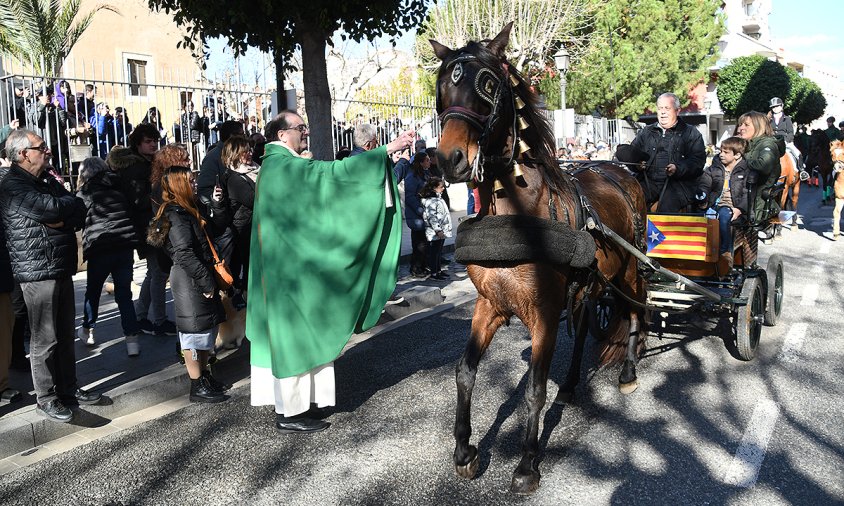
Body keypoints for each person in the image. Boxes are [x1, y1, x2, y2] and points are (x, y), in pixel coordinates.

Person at [248, 110, 414, 433]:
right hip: (292, 277)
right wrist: (387, 150)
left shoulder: (276, 166)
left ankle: (293, 408)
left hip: (287, 271)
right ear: (282, 135)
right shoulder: (283, 166)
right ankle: (291, 414)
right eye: (300, 128)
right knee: (296, 337)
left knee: (293, 337)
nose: (305, 133)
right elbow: (334, 176)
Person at [0, 130, 100, 422]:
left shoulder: (44, 179)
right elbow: (52, 208)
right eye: (40, 147)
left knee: (66, 333)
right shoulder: (12, 185)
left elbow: (78, 207)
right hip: (36, 269)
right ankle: (46, 397)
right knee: (45, 338)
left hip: (59, 265)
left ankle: (68, 389)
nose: (47, 151)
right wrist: (60, 213)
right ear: (22, 154)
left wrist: (62, 216)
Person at [146, 165, 228, 403]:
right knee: (193, 333)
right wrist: (205, 282)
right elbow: (184, 253)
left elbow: (214, 230)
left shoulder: (187, 210)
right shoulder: (176, 215)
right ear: (179, 185)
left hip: (195, 276)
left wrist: (216, 204)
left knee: (204, 330)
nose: (194, 184)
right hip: (190, 279)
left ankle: (203, 377)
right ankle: (196, 384)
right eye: (190, 181)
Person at [76, 157, 142, 355]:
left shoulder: (86, 192)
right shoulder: (120, 185)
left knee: (93, 291)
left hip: (100, 247)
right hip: (124, 245)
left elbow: (78, 220)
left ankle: (88, 329)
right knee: (124, 295)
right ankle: (132, 340)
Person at [630, 92, 706, 212]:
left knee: (666, 207)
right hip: (648, 182)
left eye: (667, 108)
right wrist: (637, 165)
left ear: (677, 110)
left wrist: (678, 168)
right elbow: (632, 154)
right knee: (629, 198)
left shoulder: (691, 133)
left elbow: (698, 162)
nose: (663, 112)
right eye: (660, 108)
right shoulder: (646, 132)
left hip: (679, 184)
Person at [696, 137, 749, 267]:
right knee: (699, 215)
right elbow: (705, 183)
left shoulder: (746, 171)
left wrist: (740, 208)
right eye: (721, 151)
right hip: (715, 204)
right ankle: (701, 251)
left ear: (737, 155)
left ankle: (725, 252)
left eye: (726, 152)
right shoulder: (714, 168)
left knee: (725, 216)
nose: (721, 154)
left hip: (733, 206)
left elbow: (748, 192)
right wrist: (702, 195)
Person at [220, 135, 259, 301]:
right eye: (244, 151)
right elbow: (254, 200)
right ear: (234, 154)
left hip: (255, 229)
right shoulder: (234, 178)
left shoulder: (256, 169)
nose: (249, 154)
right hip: (245, 232)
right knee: (251, 270)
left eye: (249, 150)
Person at [735, 111, 784, 224]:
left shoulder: (768, 144)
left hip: (756, 203)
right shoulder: (748, 144)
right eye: (740, 124)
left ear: (759, 127)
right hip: (743, 197)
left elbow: (764, 166)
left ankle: (801, 169)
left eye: (746, 125)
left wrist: (742, 155)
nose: (740, 128)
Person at [405, 151, 432, 277]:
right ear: (420, 163)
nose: (429, 162)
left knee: (424, 243)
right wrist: (420, 210)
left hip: (424, 214)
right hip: (416, 216)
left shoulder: (425, 174)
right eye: (427, 160)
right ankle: (415, 268)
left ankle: (422, 266)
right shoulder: (412, 176)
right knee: (418, 244)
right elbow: (410, 196)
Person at [421, 177, 452, 280]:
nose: (443, 189)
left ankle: (438, 271)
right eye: (441, 187)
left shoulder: (438, 198)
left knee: (438, 252)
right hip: (435, 232)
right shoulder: (431, 201)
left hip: (441, 230)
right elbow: (432, 217)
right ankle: (434, 273)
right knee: (434, 253)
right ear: (434, 188)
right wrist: (438, 230)